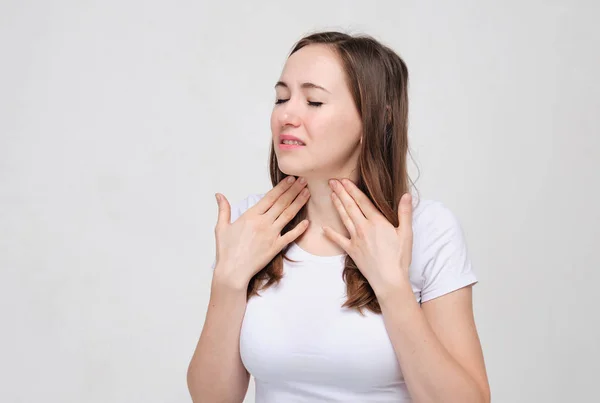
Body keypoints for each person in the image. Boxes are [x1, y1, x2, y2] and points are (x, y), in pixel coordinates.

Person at [187, 31, 491, 403]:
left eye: (314, 101)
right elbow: (212, 399)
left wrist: (393, 288)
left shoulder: (427, 230)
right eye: (282, 97)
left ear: (375, 119)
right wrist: (229, 281)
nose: (287, 114)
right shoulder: (254, 223)